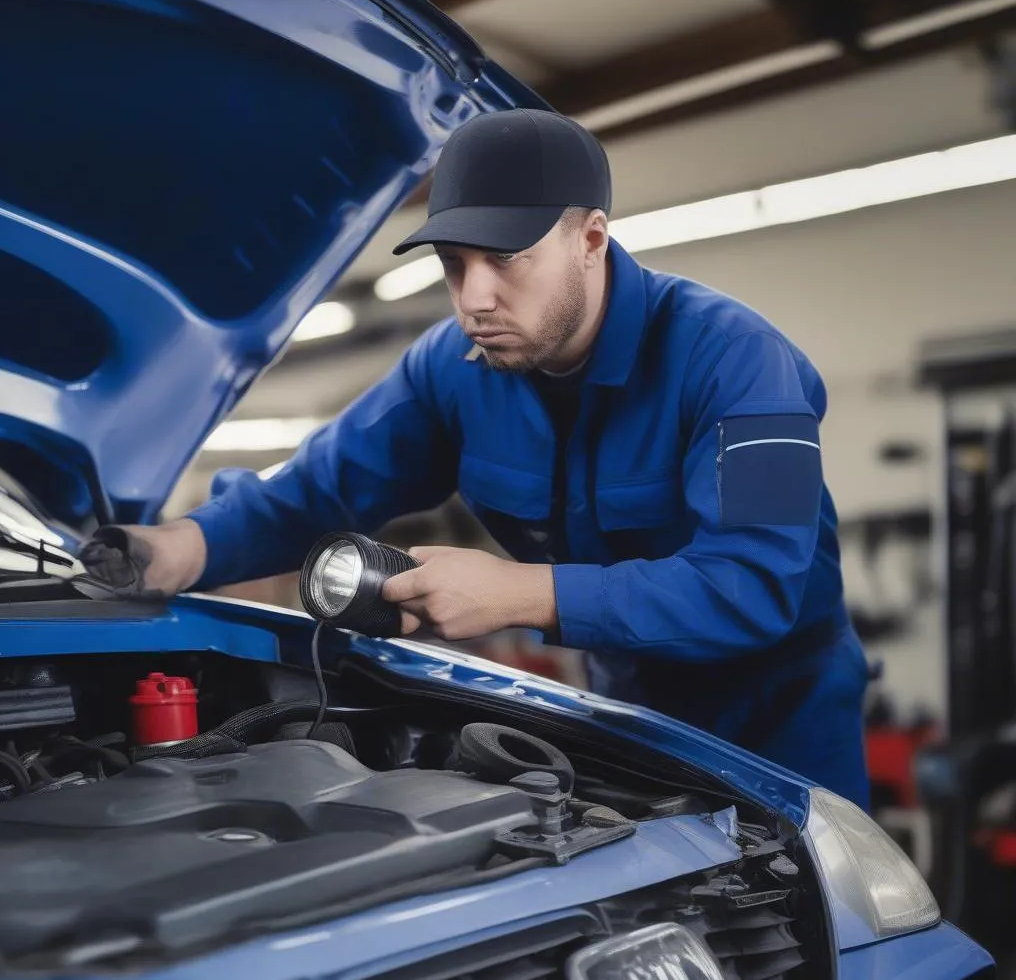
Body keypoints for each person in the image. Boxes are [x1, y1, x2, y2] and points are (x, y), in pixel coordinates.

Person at [80, 109, 872, 809]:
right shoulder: (451, 370)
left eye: (504, 258)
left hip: (785, 722)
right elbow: (320, 487)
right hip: (631, 710)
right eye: (454, 264)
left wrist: (523, 592)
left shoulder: (740, 364)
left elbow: (753, 585)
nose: (473, 297)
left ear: (590, 239)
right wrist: (182, 548)